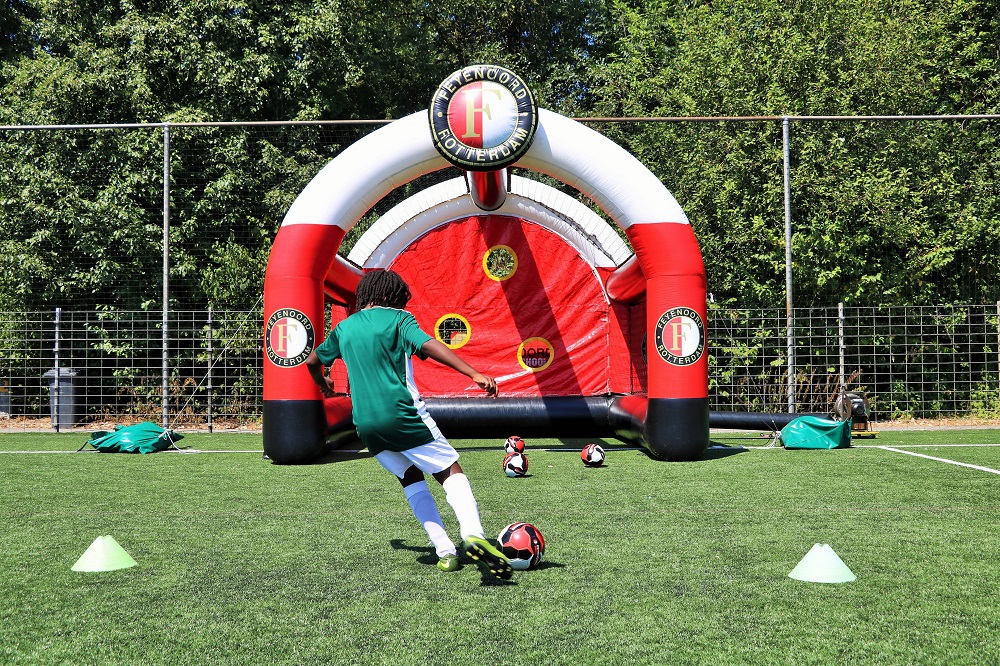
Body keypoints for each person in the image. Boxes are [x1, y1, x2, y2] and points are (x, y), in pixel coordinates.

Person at [305, 269, 512, 578]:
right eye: (402, 298)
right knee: (450, 472)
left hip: (366, 426)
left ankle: (445, 553)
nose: (404, 304)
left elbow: (311, 361)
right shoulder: (399, 320)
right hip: (403, 416)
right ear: (392, 296)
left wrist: (323, 384)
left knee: (411, 479)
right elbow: (428, 345)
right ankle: (473, 534)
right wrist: (473, 373)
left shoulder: (344, 328)